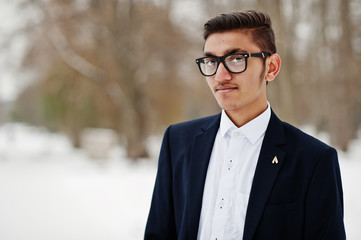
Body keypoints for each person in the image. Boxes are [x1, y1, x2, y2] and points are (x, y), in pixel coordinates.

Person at [144, 10, 346, 240]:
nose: (220, 75)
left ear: (271, 67)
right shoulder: (177, 142)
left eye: (236, 59)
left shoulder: (313, 160)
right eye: (211, 61)